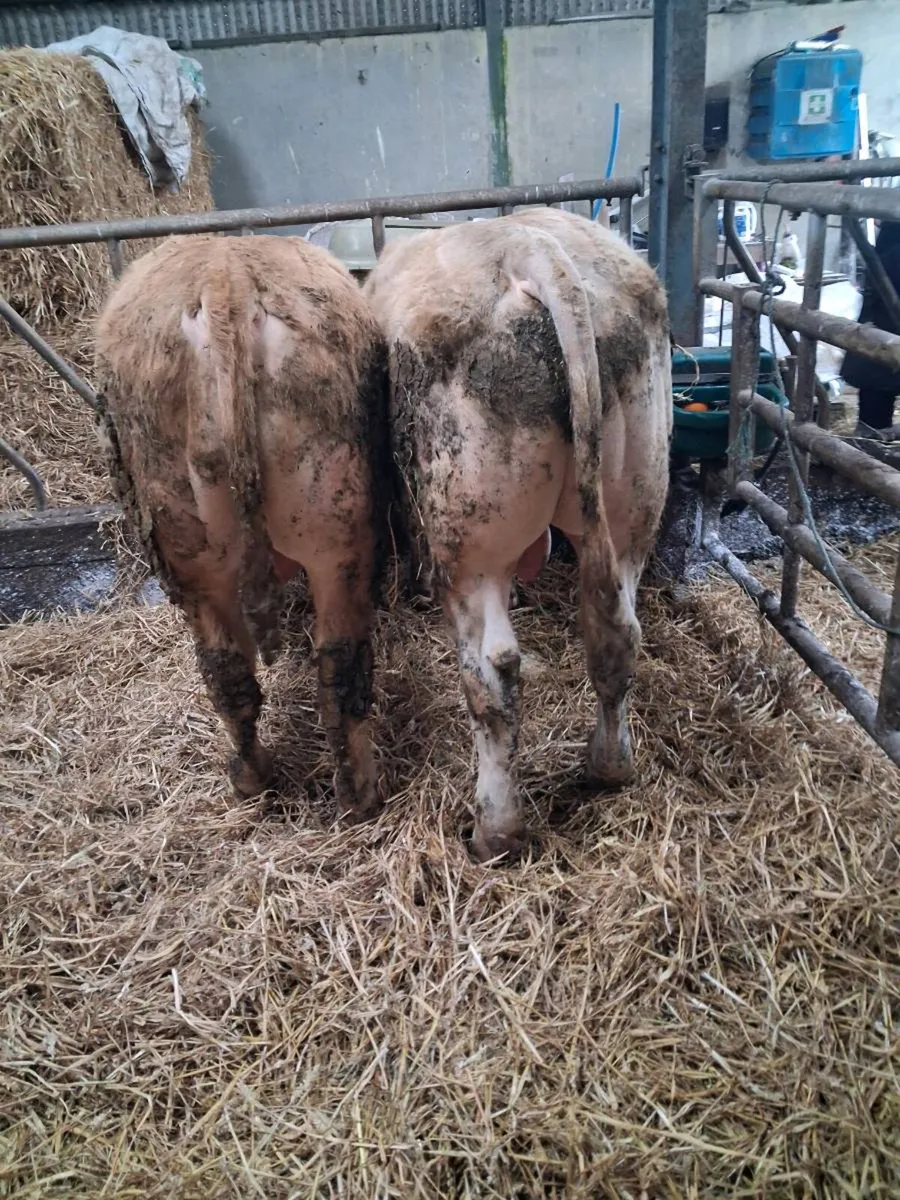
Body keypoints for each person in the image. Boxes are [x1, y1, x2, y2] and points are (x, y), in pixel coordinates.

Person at [841, 218, 900, 434]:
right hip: (885, 330)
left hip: (880, 329)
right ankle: (870, 447)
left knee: (875, 398)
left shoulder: (887, 246)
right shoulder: (893, 250)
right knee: (877, 390)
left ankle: (869, 444)